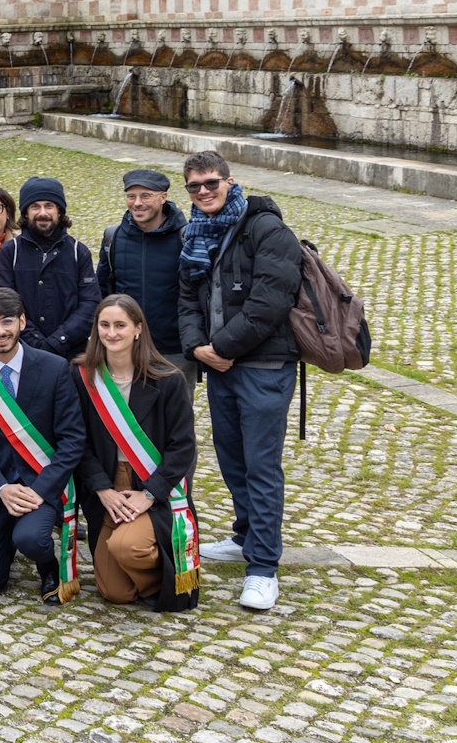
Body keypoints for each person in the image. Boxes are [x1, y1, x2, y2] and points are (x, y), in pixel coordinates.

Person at [177, 150, 302, 611]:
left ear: (231, 182)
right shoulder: (195, 234)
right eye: (194, 186)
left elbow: (270, 304)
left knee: (261, 465)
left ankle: (264, 568)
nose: (203, 192)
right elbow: (187, 299)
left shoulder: (267, 229)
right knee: (231, 458)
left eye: (211, 183)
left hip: (264, 367)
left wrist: (220, 348)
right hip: (221, 365)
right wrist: (198, 348)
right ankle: (245, 536)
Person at [0, 287, 86, 606]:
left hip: (40, 484)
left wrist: (41, 491)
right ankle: (7, 539)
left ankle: (48, 566)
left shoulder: (54, 368)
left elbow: (73, 439)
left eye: (7, 321)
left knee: (31, 538)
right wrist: (1, 488)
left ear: (22, 322)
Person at [75, 295, 202, 611]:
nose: (111, 333)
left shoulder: (168, 379)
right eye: (104, 325)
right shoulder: (81, 376)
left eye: (120, 325)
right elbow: (78, 440)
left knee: (127, 547)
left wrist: (150, 494)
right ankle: (146, 571)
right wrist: (101, 489)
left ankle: (169, 577)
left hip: (151, 481)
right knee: (115, 593)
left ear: (138, 329)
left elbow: (183, 446)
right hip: (107, 481)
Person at [97, 169, 195, 404]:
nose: (137, 203)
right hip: (126, 348)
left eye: (146, 196)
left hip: (174, 350)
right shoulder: (115, 237)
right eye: (131, 196)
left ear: (163, 197)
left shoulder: (187, 237)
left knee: (176, 419)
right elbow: (103, 289)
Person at [0, 177, 100, 359]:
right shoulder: (11, 252)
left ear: (60, 211)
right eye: (35, 206)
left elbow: (90, 305)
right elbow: (5, 304)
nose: (43, 213)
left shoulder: (78, 252)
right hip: (22, 351)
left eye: (49, 205)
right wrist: (34, 342)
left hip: (72, 353)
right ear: (26, 213)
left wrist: (58, 340)